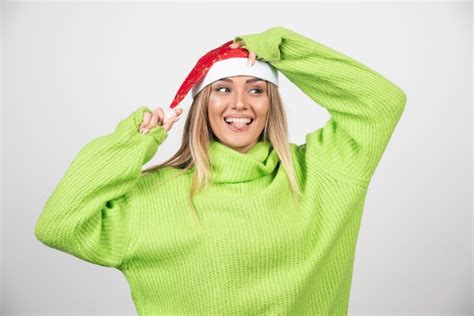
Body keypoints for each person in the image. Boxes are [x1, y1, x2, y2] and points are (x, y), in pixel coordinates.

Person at [34, 26, 407, 315]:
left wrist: (281, 48)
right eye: (223, 89)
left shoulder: (321, 174)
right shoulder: (155, 196)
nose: (240, 104)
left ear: (270, 103)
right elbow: (58, 225)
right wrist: (134, 142)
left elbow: (380, 104)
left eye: (257, 90)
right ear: (202, 103)